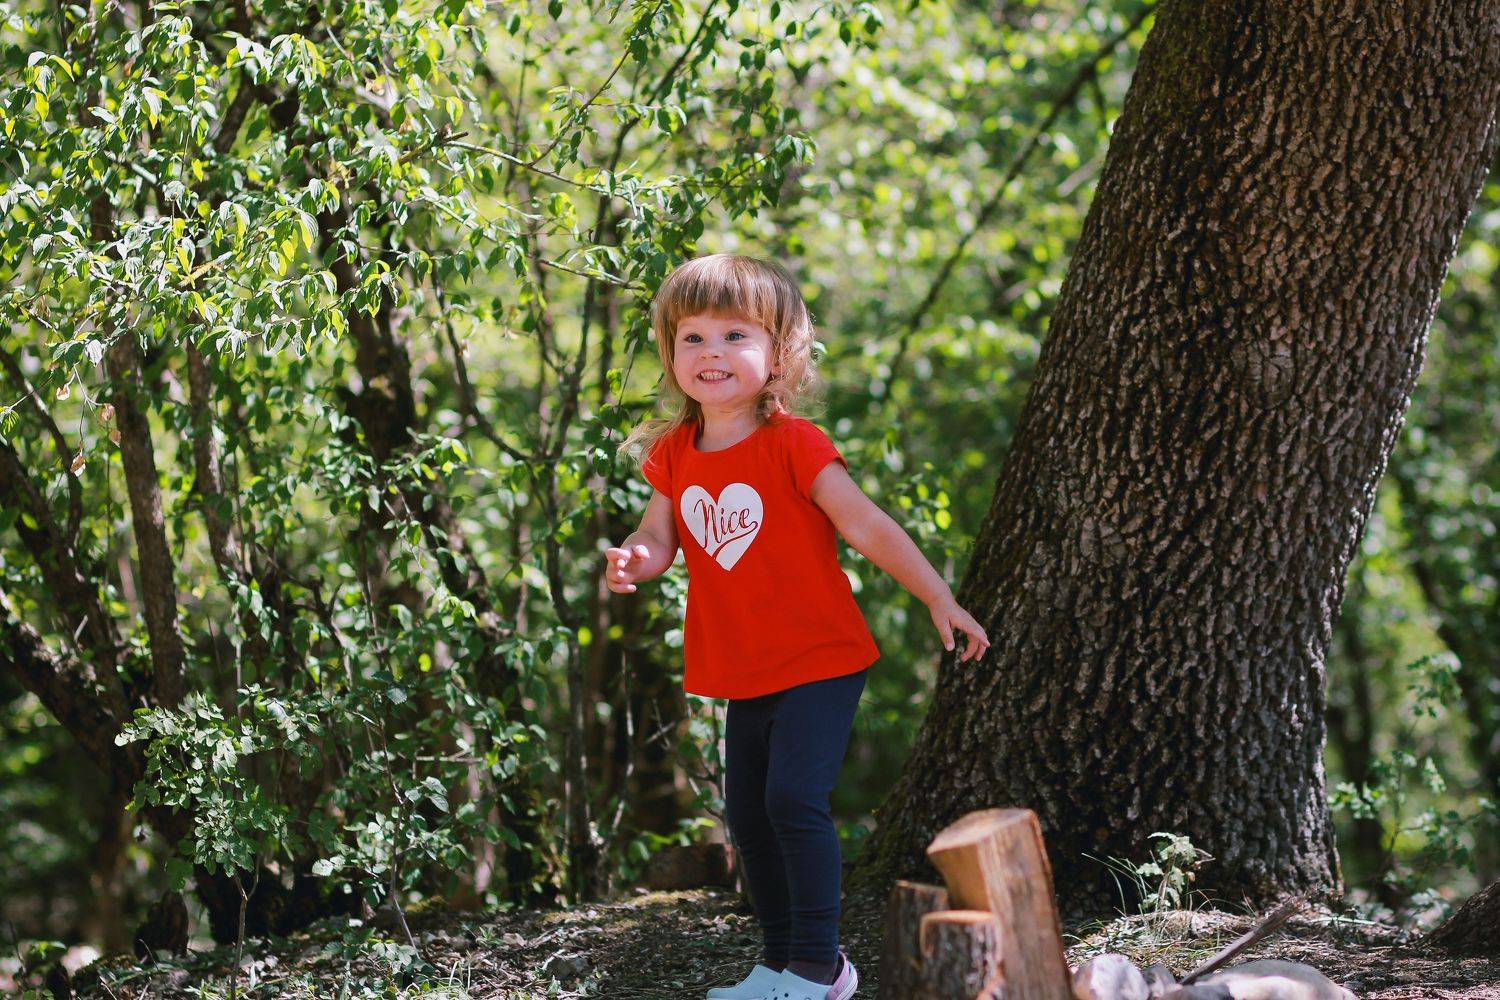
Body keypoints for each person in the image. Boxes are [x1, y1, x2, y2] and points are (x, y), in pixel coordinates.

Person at [605, 253, 989, 1000]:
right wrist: (634, 560)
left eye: (734, 335)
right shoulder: (675, 453)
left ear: (778, 352)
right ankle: (778, 966)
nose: (712, 352)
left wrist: (937, 596)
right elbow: (658, 536)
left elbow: (866, 525)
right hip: (744, 663)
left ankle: (821, 967)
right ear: (671, 353)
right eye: (693, 337)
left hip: (820, 656)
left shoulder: (794, 444)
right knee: (749, 816)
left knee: (791, 801)